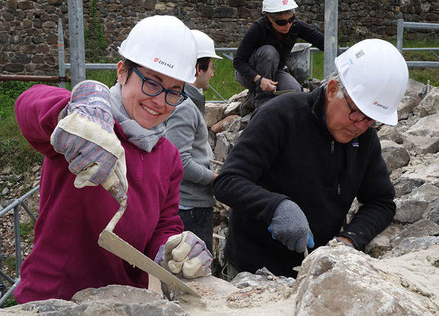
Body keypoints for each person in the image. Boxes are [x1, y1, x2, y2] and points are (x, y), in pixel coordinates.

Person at [13, 15, 212, 303]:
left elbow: (164, 224)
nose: (160, 101)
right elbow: (28, 105)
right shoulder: (89, 126)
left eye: (173, 92)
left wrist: (171, 248)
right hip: (54, 298)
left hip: (124, 301)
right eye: (152, 83)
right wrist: (70, 110)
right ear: (122, 72)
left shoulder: (168, 155)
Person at [213, 39, 409, 280]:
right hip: (253, 271)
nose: (361, 126)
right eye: (356, 112)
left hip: (315, 275)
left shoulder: (365, 138)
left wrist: (348, 240)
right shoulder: (281, 116)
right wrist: (276, 207)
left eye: (371, 119)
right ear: (332, 89)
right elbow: (227, 181)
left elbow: (381, 201)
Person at [165, 30, 222, 254]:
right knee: (194, 275)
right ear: (198, 68)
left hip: (189, 206)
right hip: (190, 208)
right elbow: (180, 160)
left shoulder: (182, 100)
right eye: (212, 67)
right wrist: (215, 178)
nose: (213, 75)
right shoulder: (185, 107)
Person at [234, 0, 324, 108]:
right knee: (269, 52)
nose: (288, 25)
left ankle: (252, 99)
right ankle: (262, 101)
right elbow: (238, 61)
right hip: (250, 74)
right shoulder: (258, 28)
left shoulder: (295, 25)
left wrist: (344, 58)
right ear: (270, 17)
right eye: (282, 22)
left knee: (294, 91)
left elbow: (321, 40)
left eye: (291, 19)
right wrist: (259, 79)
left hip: (275, 71)